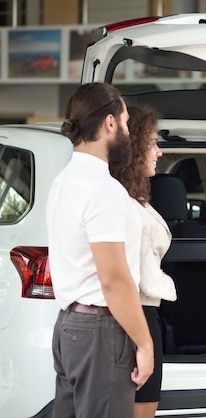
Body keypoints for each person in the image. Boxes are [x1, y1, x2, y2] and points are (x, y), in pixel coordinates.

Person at [46, 82, 154, 418]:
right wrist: (146, 344)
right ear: (109, 123)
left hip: (68, 328)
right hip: (101, 333)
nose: (126, 131)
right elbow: (114, 280)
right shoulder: (102, 189)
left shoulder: (62, 183)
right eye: (123, 123)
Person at [109, 104, 177, 418]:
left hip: (143, 314)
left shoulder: (133, 198)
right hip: (132, 318)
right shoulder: (117, 201)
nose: (159, 152)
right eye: (153, 143)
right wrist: (143, 344)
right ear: (134, 147)